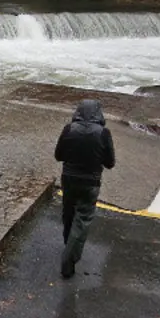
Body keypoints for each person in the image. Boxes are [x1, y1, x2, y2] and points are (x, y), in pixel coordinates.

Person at [54, 99, 116, 279]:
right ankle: (69, 259)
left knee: (68, 213)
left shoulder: (69, 129)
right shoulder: (104, 133)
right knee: (83, 219)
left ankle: (68, 244)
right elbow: (110, 163)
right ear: (99, 113)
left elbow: (58, 156)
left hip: (69, 179)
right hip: (91, 183)